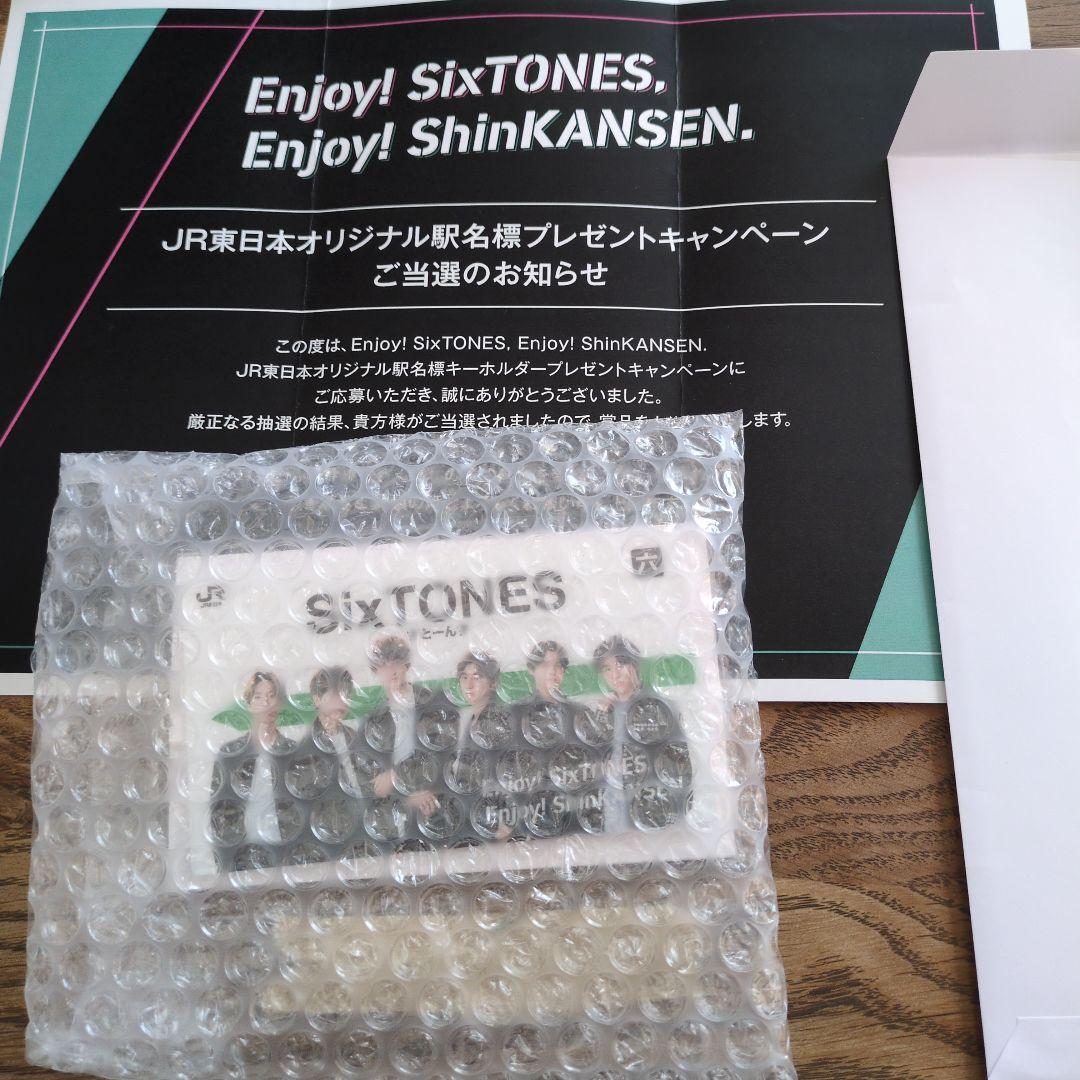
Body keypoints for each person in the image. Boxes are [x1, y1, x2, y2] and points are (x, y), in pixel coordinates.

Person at [214, 671, 301, 863]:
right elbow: (219, 813)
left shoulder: (292, 752)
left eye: (271, 696)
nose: (266, 703)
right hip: (241, 855)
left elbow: (300, 808)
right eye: (258, 697)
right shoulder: (230, 752)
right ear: (248, 703)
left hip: (287, 854)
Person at [367, 635, 439, 819]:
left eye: (396, 662)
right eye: (384, 664)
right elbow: (374, 782)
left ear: (406, 664)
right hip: (395, 814)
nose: (391, 670)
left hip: (436, 803)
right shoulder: (373, 719)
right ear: (376, 671)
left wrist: (396, 778)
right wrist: (406, 797)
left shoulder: (432, 702)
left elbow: (446, 754)